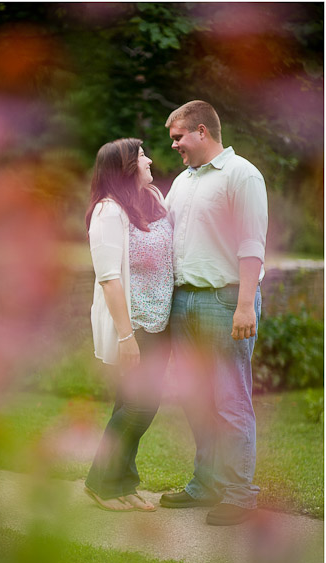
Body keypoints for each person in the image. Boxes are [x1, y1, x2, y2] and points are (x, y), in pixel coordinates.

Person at [160, 100, 267, 526]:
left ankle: (240, 494)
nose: (174, 146)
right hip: (183, 302)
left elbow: (251, 245)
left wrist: (245, 305)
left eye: (178, 137)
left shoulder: (243, 175)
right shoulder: (183, 181)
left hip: (226, 302)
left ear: (202, 131)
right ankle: (205, 484)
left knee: (230, 398)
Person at [84, 138, 172, 512]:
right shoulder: (108, 212)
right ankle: (100, 482)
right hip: (133, 327)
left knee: (131, 406)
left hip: (159, 324)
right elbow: (109, 278)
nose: (149, 160)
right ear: (124, 168)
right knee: (140, 407)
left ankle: (122, 483)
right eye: (141, 156)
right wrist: (126, 336)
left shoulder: (149, 199)